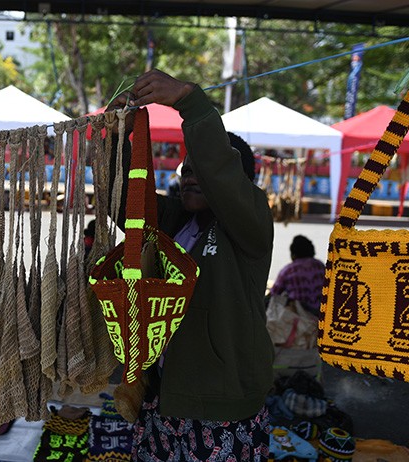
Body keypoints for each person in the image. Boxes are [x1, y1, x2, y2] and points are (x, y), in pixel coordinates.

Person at [107, 70, 273, 461]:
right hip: (163, 396)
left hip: (222, 407)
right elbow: (127, 201)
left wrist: (189, 101)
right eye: (186, 170)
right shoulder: (174, 219)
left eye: (202, 171)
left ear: (238, 183)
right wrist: (116, 139)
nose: (190, 178)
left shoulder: (250, 226)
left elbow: (221, 172)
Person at [270, 235, 325, 317]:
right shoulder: (320, 266)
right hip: (321, 314)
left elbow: (274, 294)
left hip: (300, 317)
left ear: (293, 253)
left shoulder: (288, 270)